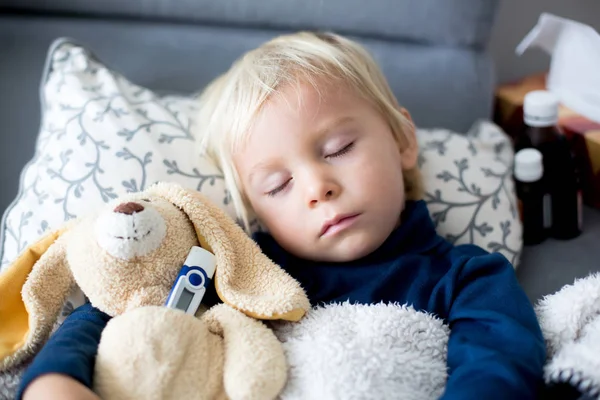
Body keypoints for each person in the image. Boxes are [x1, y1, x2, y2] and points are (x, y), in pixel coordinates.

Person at [19, 31, 546, 399]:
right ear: (257, 212)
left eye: (338, 147)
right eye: (279, 184)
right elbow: (123, 309)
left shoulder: (469, 276)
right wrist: (54, 378)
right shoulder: (239, 269)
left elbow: (499, 365)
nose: (318, 187)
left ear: (403, 140)